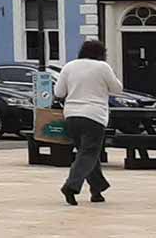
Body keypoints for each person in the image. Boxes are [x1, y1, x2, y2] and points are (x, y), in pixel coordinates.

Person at [53, 38, 123, 205]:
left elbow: (59, 92)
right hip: (94, 116)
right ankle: (71, 186)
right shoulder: (102, 67)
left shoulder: (69, 66)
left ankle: (97, 189)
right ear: (101, 54)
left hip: (71, 116)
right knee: (89, 153)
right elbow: (117, 89)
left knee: (88, 153)